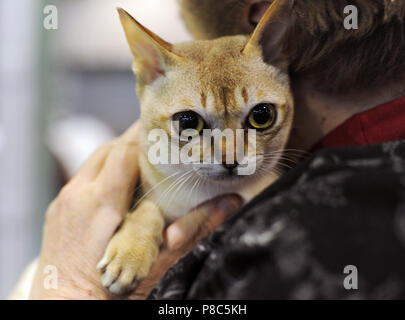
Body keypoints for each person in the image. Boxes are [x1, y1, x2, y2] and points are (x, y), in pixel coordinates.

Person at [29, 0, 405, 299]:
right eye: (191, 124)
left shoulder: (277, 245)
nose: (230, 155)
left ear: (273, 36)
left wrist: (71, 289)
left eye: (259, 117)